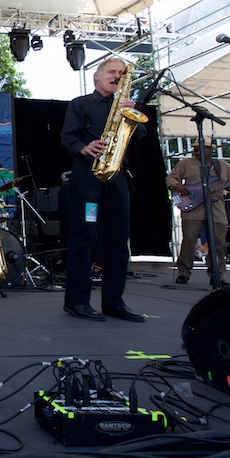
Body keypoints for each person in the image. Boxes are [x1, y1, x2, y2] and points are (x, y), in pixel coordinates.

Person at [60, 58, 145, 322]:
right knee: (83, 237)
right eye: (112, 72)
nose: (117, 76)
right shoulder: (81, 104)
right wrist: (83, 148)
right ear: (98, 77)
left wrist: (130, 114)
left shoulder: (125, 106)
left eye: (121, 73)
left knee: (119, 239)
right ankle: (76, 301)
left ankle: (114, 302)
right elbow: (68, 137)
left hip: (117, 175)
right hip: (87, 175)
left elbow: (139, 135)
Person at [165, 137, 230, 286]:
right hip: (192, 206)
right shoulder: (185, 164)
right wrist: (177, 186)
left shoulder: (222, 166)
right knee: (189, 239)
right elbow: (170, 178)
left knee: (218, 242)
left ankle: (217, 275)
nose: (196, 150)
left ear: (210, 150)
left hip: (216, 207)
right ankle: (183, 272)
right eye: (195, 148)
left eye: (200, 148)